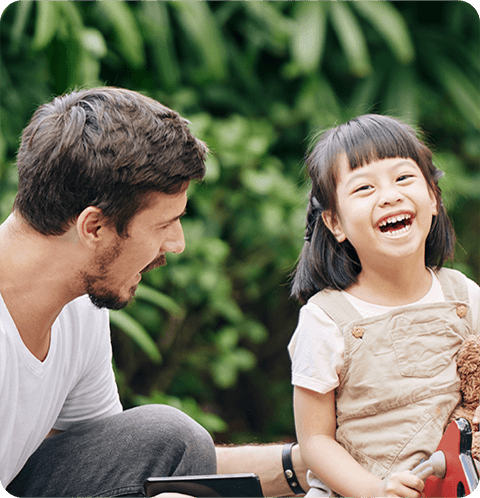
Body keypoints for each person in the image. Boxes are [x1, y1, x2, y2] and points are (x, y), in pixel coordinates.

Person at [0, 87, 308, 497]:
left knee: (168, 439)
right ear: (94, 227)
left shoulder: (80, 309)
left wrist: (314, 463)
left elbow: (129, 470)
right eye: (164, 225)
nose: (177, 244)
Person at [288, 114, 480, 497]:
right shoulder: (325, 320)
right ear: (334, 223)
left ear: (434, 199)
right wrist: (374, 490)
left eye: (404, 178)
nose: (389, 195)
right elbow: (315, 442)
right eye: (364, 188)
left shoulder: (464, 295)